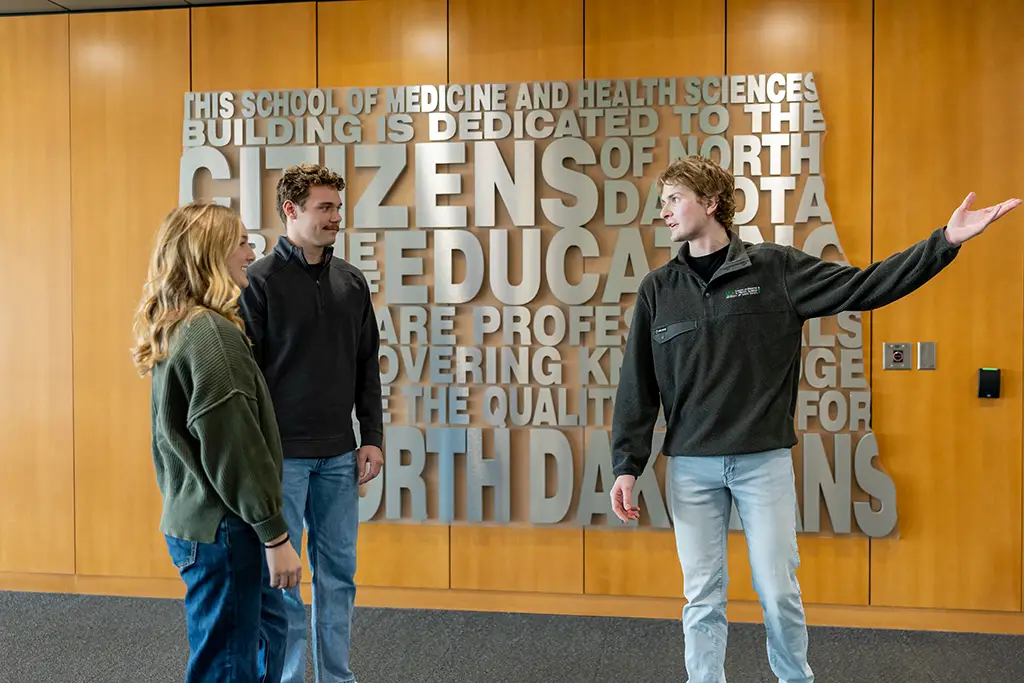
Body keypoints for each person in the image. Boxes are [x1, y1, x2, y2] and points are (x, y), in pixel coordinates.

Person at [609, 155, 1020, 683]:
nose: (664, 211)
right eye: (662, 202)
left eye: (674, 199)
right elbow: (637, 384)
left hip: (763, 464)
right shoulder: (658, 289)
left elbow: (865, 286)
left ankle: (794, 678)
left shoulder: (774, 269)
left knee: (778, 590)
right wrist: (627, 463)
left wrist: (945, 241)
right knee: (702, 596)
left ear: (710, 203)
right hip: (691, 467)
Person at [130, 202, 304, 683]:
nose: (253, 251)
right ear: (211, 253)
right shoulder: (209, 334)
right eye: (243, 242)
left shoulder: (183, 324)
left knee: (262, 637)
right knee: (226, 666)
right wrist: (276, 534)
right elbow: (234, 449)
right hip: (225, 527)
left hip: (205, 523)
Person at [238, 163, 384, 683]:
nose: (336, 218)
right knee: (282, 582)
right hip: (282, 458)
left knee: (338, 576)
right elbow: (248, 381)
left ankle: (336, 678)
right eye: (325, 208)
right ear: (291, 210)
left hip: (340, 457)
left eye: (338, 207)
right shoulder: (257, 283)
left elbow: (368, 364)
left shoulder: (352, 281)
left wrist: (372, 437)